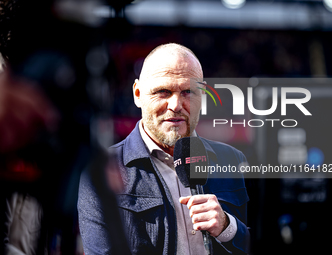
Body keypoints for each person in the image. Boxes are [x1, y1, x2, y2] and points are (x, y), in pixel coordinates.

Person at [78, 43, 250, 254]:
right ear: (138, 94)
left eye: (188, 92)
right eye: (163, 91)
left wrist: (227, 227)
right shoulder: (101, 170)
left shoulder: (232, 159)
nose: (176, 105)